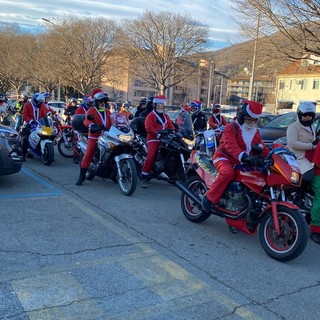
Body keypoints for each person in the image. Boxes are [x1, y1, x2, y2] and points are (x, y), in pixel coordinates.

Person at [202, 99, 269, 211]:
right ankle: (209, 198)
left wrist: (272, 155)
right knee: (228, 173)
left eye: (254, 120)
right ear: (242, 117)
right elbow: (230, 146)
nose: (251, 122)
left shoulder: (255, 132)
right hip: (225, 158)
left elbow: (262, 146)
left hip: (243, 161)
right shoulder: (231, 127)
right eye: (249, 119)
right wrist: (243, 156)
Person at [76, 91, 111, 186]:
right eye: (100, 101)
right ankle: (82, 176)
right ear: (96, 102)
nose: (103, 103)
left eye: (104, 101)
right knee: (89, 154)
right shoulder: (91, 111)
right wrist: (91, 125)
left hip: (106, 136)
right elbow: (86, 121)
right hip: (94, 136)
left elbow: (112, 121)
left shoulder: (107, 112)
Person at [141, 95, 175, 188]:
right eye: (158, 105)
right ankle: (144, 176)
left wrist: (174, 131)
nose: (160, 107)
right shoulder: (150, 116)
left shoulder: (166, 116)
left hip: (165, 138)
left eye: (162, 105)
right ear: (155, 105)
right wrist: (157, 134)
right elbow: (148, 127)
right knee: (151, 155)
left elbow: (171, 126)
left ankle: (172, 173)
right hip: (153, 138)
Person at [286, 102, 317, 183]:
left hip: (309, 155)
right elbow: (292, 143)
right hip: (297, 156)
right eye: (305, 116)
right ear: (299, 115)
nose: (307, 118)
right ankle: (298, 192)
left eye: (310, 116)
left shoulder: (312, 126)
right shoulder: (293, 127)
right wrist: (311, 146)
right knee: (308, 175)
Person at [21, 93, 55, 161]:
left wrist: (51, 115)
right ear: (34, 100)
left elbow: (46, 112)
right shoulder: (27, 105)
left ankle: (48, 153)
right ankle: (23, 155)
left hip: (40, 123)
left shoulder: (42, 105)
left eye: (41, 102)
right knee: (26, 138)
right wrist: (31, 121)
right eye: (38, 102)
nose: (40, 103)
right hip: (29, 124)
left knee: (50, 133)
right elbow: (24, 116)